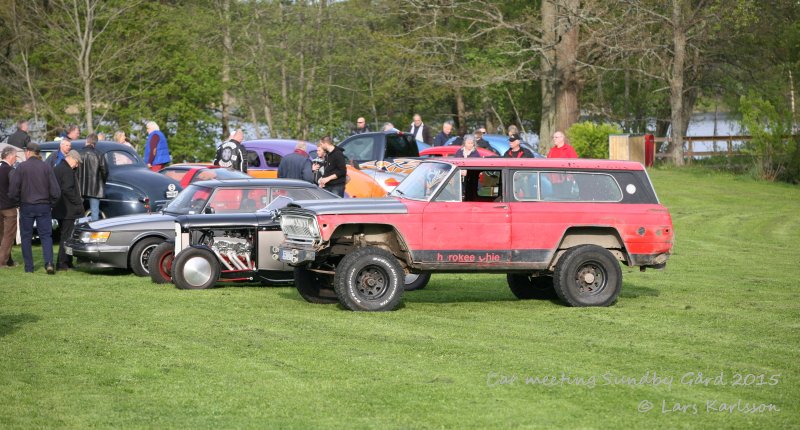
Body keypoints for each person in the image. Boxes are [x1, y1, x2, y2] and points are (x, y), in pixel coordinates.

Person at [8, 143, 60, 274]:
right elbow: (56, 191)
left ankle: (29, 267)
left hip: (26, 205)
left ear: (28, 152)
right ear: (38, 153)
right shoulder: (46, 167)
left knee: (26, 237)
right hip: (44, 205)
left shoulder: (21, 167)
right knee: (46, 236)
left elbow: (13, 190)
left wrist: (17, 203)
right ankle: (49, 263)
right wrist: (51, 204)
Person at [53, 150, 83, 271]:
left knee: (65, 235)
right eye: (76, 162)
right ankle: (62, 263)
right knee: (67, 237)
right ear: (71, 158)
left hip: (59, 208)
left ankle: (67, 261)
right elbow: (67, 189)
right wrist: (78, 202)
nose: (77, 165)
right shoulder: (67, 171)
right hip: (68, 209)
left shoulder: (58, 168)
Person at [78, 134, 108, 221]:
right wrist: (102, 182)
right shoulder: (99, 154)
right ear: (95, 143)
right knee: (95, 212)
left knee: (79, 211)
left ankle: (79, 230)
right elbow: (105, 171)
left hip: (80, 186)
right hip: (95, 187)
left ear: (86, 141)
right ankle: (94, 231)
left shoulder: (78, 153)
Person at [0, 146, 19, 268]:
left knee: (1, 235)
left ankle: (9, 260)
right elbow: (14, 190)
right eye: (15, 156)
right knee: (9, 235)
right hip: (9, 208)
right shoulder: (10, 170)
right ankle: (2, 262)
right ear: (10, 156)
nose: (16, 159)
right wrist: (18, 202)